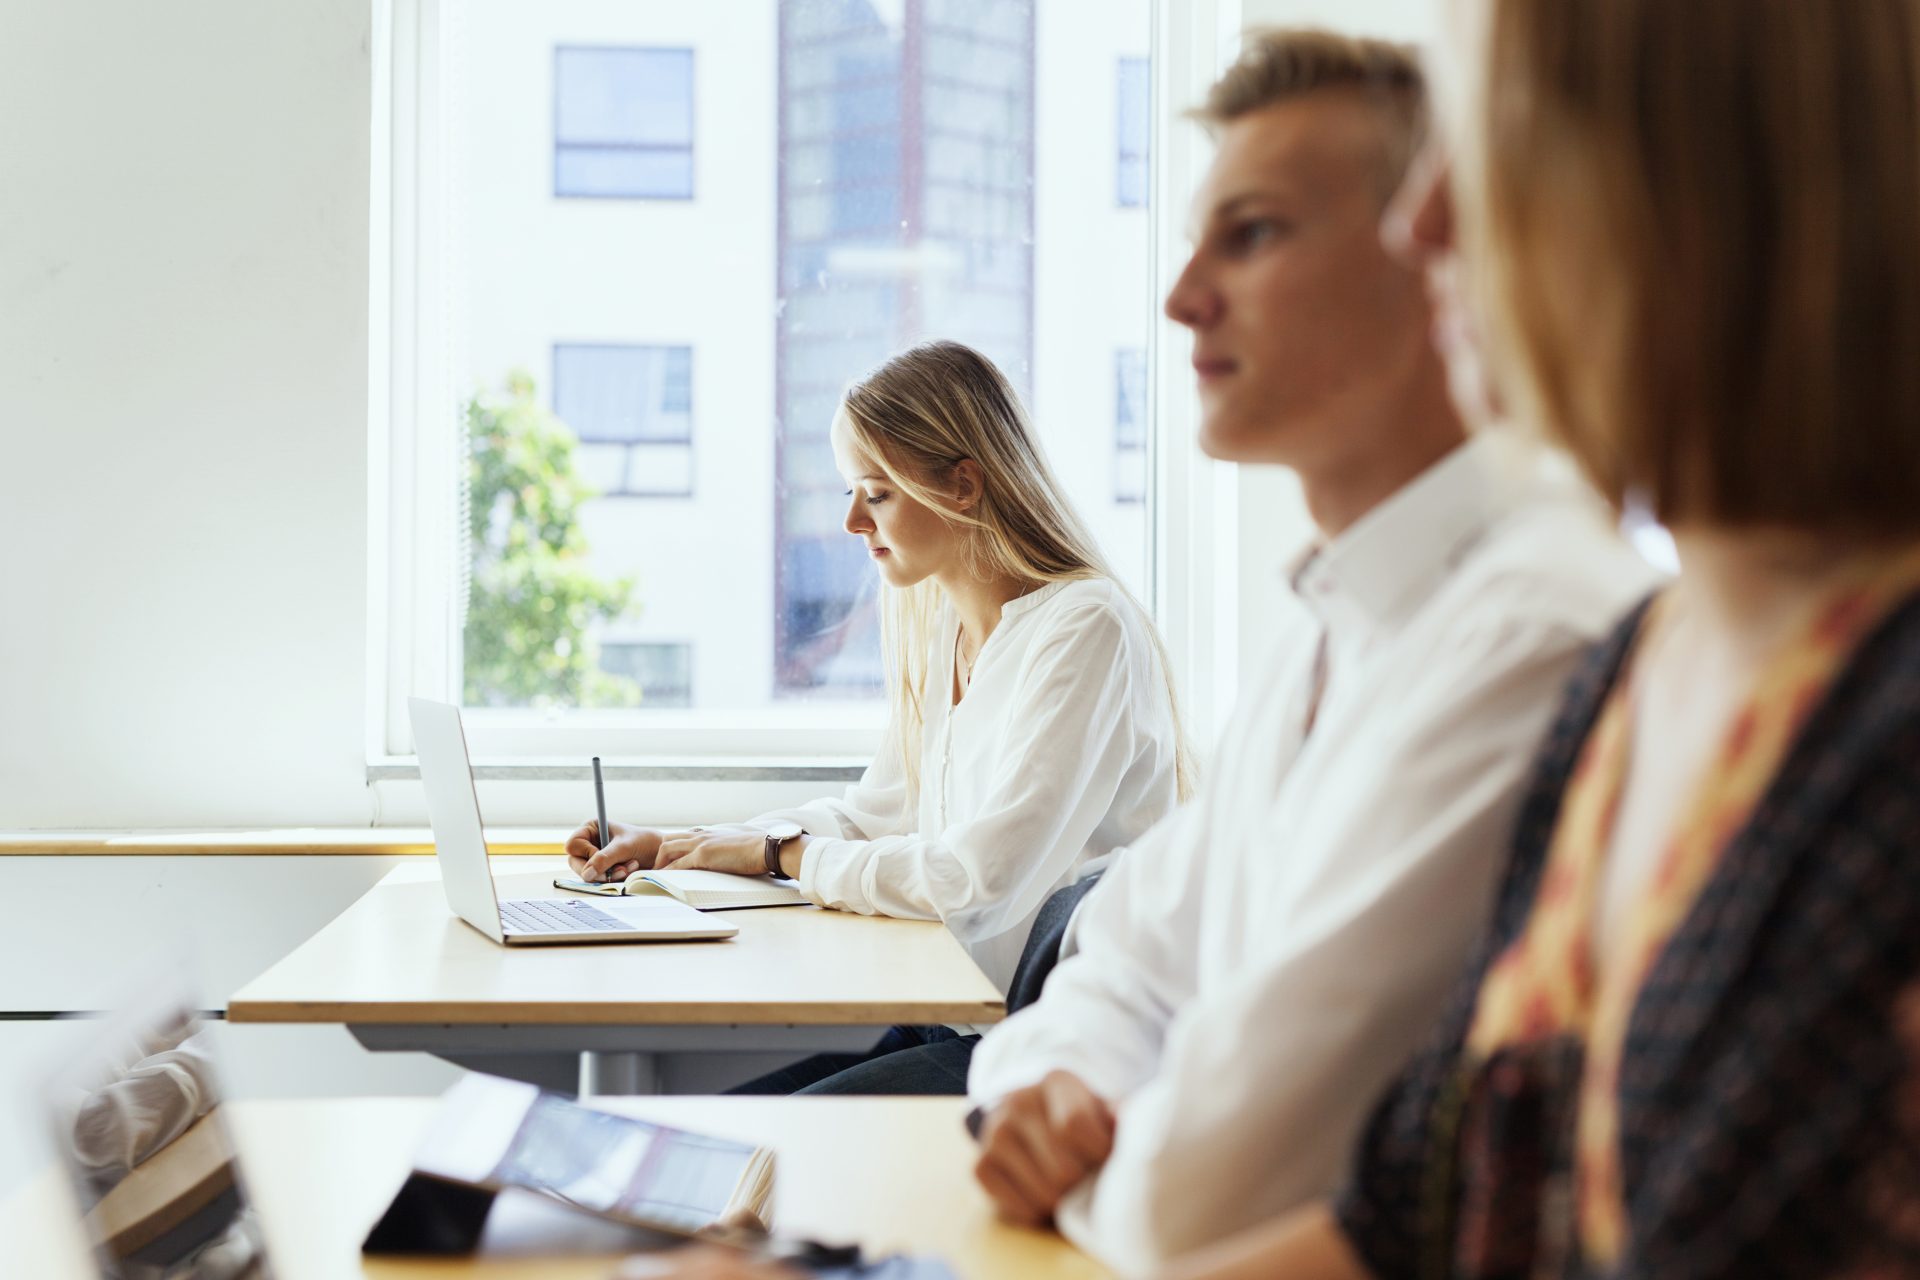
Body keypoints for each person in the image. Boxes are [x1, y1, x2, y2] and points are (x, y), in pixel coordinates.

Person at [1165, 2, 1920, 1278]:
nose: (1430, 225)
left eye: (1494, 142)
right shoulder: (1637, 667)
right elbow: (1396, 1222)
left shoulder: (1888, 735)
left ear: (1704, 183)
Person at [962, 28, 1660, 1273]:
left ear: (1439, 257)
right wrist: (1059, 1084)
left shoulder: (1542, 630)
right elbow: (1115, 959)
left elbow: (1214, 1202)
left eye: (1255, 233)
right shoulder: (1327, 627)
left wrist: (1099, 1146)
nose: (1182, 295)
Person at [569, 339, 1191, 1095]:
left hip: (1045, 1050)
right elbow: (875, 816)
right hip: (960, 1019)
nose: (853, 523)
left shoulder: (1086, 628)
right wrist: (678, 847)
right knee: (710, 1128)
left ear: (963, 486)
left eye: (878, 491)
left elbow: (971, 881)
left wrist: (780, 855)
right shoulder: (946, 630)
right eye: (848, 493)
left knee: (744, 1152)